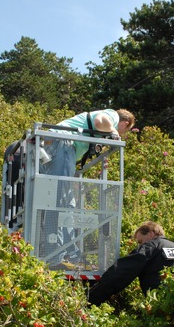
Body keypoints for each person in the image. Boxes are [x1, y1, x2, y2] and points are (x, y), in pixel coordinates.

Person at [39, 109, 135, 266]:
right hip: (63, 144)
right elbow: (99, 120)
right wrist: (113, 131)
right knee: (61, 201)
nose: (122, 134)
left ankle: (69, 253)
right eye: (125, 131)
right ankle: (57, 256)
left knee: (66, 203)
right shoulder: (113, 116)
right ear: (125, 123)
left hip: (57, 145)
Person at [88, 221, 174, 305]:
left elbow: (123, 271)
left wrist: (92, 296)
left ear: (151, 234)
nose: (141, 245)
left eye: (140, 241)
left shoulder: (151, 246)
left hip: (160, 303)